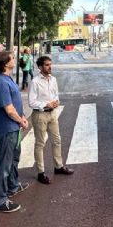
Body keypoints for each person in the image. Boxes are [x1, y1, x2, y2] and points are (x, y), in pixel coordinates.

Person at [0, 51, 29, 213]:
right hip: (7, 127)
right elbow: (8, 108)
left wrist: (23, 116)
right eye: (12, 58)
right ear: (5, 63)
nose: (15, 60)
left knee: (14, 158)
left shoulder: (7, 79)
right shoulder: (0, 82)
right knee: (5, 164)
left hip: (14, 126)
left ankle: (13, 185)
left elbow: (15, 103)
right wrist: (20, 120)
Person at [28, 55, 74, 184]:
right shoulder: (35, 82)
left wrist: (56, 102)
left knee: (57, 140)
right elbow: (31, 102)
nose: (49, 67)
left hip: (53, 114)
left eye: (50, 64)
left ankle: (58, 166)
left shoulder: (53, 79)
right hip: (40, 115)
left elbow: (55, 95)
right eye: (47, 65)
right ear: (40, 67)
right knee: (40, 144)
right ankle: (40, 173)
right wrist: (45, 105)